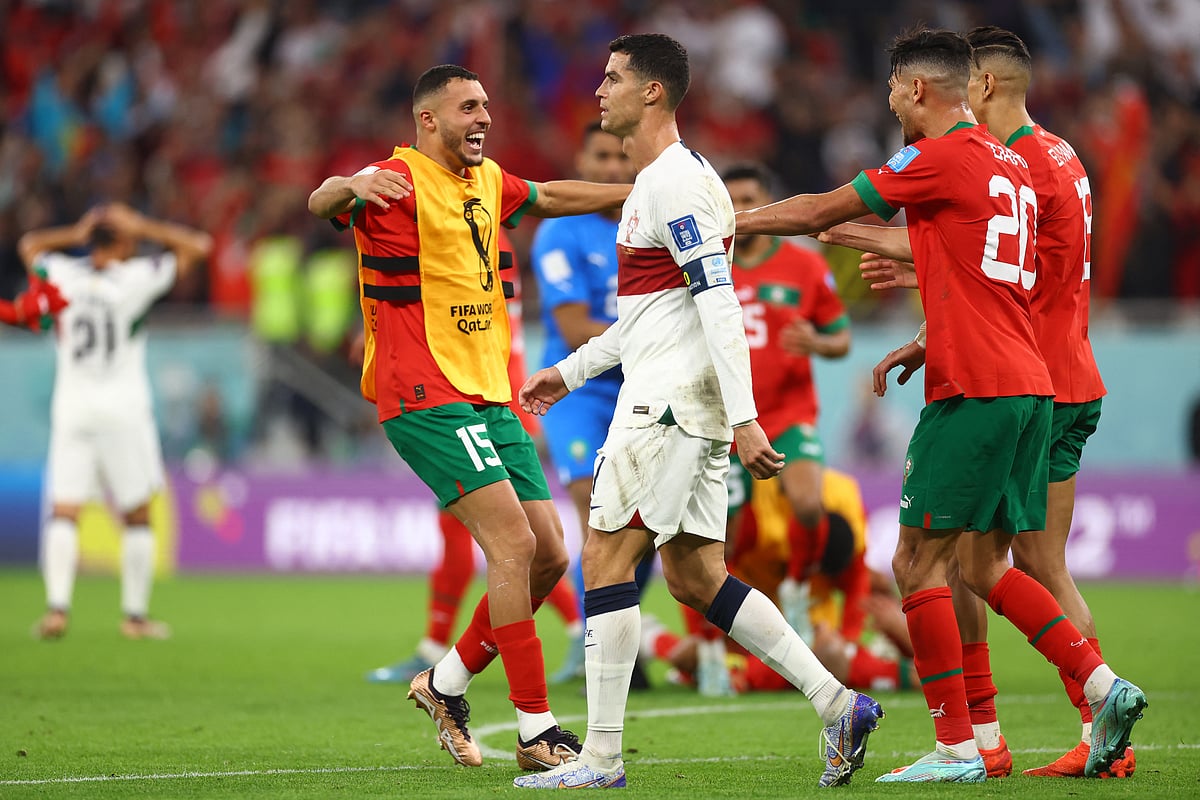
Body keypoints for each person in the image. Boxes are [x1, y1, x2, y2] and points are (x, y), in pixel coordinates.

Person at [733, 28, 1146, 783]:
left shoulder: (938, 155)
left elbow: (825, 206)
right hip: (1030, 382)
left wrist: (733, 222)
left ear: (919, 89)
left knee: (916, 560)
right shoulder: (1015, 165)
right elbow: (989, 270)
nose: (889, 100)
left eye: (893, 88)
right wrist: (926, 333)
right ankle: (1098, 687)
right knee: (985, 564)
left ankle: (958, 744)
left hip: (977, 387)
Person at [514, 33, 883, 790]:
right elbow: (656, 315)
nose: (599, 92)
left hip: (670, 407)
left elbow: (720, 300)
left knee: (607, 560)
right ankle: (836, 702)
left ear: (652, 91)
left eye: (613, 79)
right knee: (695, 577)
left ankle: (602, 760)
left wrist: (745, 417)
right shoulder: (668, 182)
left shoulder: (674, 184)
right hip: (684, 400)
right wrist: (569, 368)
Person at [307, 63, 629, 772]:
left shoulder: (488, 182)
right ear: (428, 120)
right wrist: (348, 186)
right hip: (423, 395)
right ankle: (536, 729)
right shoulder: (390, 182)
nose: (483, 117)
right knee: (512, 546)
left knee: (550, 554)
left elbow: (552, 194)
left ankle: (447, 683)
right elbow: (320, 199)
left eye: (485, 105)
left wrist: (641, 190)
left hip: (490, 393)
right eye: (467, 107)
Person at [365, 232, 585, 687]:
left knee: (516, 542)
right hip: (490, 395)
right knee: (525, 543)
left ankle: (448, 658)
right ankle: (447, 657)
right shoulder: (484, 235)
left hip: (481, 399)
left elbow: (463, 324)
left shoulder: (470, 236)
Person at [19, 203, 212, 640]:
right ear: (123, 242)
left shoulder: (62, 274)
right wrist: (144, 223)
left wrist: (76, 231)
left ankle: (56, 611)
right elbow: (199, 247)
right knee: (137, 514)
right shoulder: (135, 278)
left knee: (64, 511)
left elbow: (29, 244)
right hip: (124, 412)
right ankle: (134, 617)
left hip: (72, 408)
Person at [529, 121, 647, 686]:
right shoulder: (560, 232)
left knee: (642, 524)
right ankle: (587, 638)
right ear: (582, 160)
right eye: (599, 156)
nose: (610, 168)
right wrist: (652, 332)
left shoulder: (651, 227)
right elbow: (574, 327)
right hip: (577, 389)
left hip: (642, 388)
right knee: (595, 509)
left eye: (619, 157)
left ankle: (619, 632)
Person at [0, 273, 68, 332]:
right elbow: (35, 280)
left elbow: (41, 324)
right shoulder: (38, 289)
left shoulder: (41, 293)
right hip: (15, 300)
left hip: (17, 314)